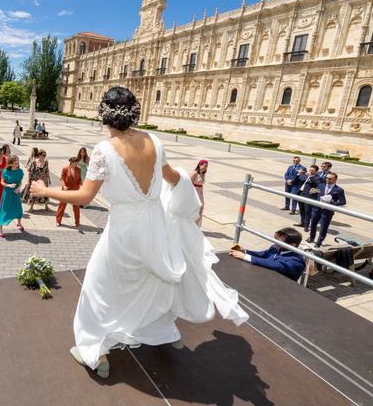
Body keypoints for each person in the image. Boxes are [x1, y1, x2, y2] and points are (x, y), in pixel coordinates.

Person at [30, 86, 247, 379]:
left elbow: (84, 197)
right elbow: (173, 179)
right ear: (134, 111)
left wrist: (45, 190)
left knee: (99, 288)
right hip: (155, 225)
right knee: (152, 283)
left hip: (124, 230)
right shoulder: (155, 141)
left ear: (104, 113)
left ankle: (96, 352)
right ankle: (165, 333)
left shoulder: (104, 150)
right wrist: (187, 194)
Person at [230, 227, 306, 281]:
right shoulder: (276, 247)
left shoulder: (296, 261)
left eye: (280, 241)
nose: (276, 242)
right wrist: (244, 251)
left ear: (293, 245)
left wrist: (245, 257)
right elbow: (264, 254)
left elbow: (275, 264)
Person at [307, 172, 346, 247]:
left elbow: (343, 201)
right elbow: (317, 194)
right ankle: (311, 237)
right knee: (313, 224)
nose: (327, 179)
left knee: (324, 227)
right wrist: (312, 192)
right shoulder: (321, 185)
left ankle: (319, 242)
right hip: (317, 209)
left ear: (335, 179)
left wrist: (333, 203)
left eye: (330, 178)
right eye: (326, 178)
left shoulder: (339, 190)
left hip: (327, 211)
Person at [0, 155, 26, 238]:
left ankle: (19, 223)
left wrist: (18, 188)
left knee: (19, 209)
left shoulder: (20, 171)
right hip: (7, 193)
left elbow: (20, 182)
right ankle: (0, 229)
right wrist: (9, 185)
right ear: (11, 163)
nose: (17, 164)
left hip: (16, 193)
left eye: (18, 162)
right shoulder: (6, 171)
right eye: (15, 162)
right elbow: (2, 182)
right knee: (5, 210)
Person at [56, 157, 82, 227]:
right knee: (62, 206)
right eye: (76, 162)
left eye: (77, 162)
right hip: (66, 190)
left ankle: (77, 222)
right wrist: (63, 186)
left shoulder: (78, 169)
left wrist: (80, 184)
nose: (77, 163)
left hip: (75, 190)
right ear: (72, 162)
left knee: (76, 207)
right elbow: (62, 178)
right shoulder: (65, 168)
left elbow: (79, 179)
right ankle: (58, 221)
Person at [295, 165, 321, 231]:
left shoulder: (318, 178)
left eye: (312, 170)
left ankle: (306, 225)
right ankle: (302, 222)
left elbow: (317, 184)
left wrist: (311, 177)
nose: (310, 171)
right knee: (301, 210)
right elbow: (299, 179)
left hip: (308, 196)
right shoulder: (306, 175)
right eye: (310, 170)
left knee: (307, 211)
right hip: (301, 194)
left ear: (316, 171)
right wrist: (298, 174)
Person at [190, 159, 208, 227]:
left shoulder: (203, 174)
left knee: (200, 210)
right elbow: (189, 183)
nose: (205, 168)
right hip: (194, 194)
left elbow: (201, 185)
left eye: (206, 166)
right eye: (204, 166)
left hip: (200, 194)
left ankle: (197, 226)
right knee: (194, 210)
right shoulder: (194, 173)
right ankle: (192, 225)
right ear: (200, 165)